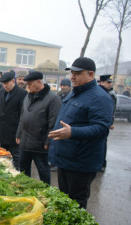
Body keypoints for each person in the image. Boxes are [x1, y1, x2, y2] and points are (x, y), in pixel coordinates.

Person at [48, 57, 113, 209]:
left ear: (91, 75)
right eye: (72, 73)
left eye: (77, 73)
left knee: (76, 204)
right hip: (65, 159)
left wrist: (72, 132)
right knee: (64, 201)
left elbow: (102, 128)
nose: (72, 76)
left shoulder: (100, 97)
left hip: (81, 163)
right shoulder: (73, 94)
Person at [16, 71, 61, 184]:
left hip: (40, 143)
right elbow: (22, 117)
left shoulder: (52, 99)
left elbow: (54, 122)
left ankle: (45, 193)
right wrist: (18, 133)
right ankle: (24, 190)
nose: (28, 86)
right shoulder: (28, 97)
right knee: (23, 169)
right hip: (25, 141)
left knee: (43, 170)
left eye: (30, 83)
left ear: (39, 81)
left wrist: (48, 141)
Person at [0, 72, 27, 170]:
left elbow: (23, 113)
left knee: (15, 157)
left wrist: (20, 132)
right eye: (3, 84)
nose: (4, 86)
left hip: (14, 131)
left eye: (6, 83)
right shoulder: (1, 92)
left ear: (13, 81)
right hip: (2, 129)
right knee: (3, 156)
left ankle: (16, 174)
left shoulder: (22, 93)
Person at [98, 74, 117, 171]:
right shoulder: (99, 92)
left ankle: (102, 164)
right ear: (101, 82)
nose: (109, 84)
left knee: (102, 143)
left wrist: (111, 122)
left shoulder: (111, 94)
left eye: (110, 83)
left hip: (105, 123)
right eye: (108, 82)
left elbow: (112, 110)